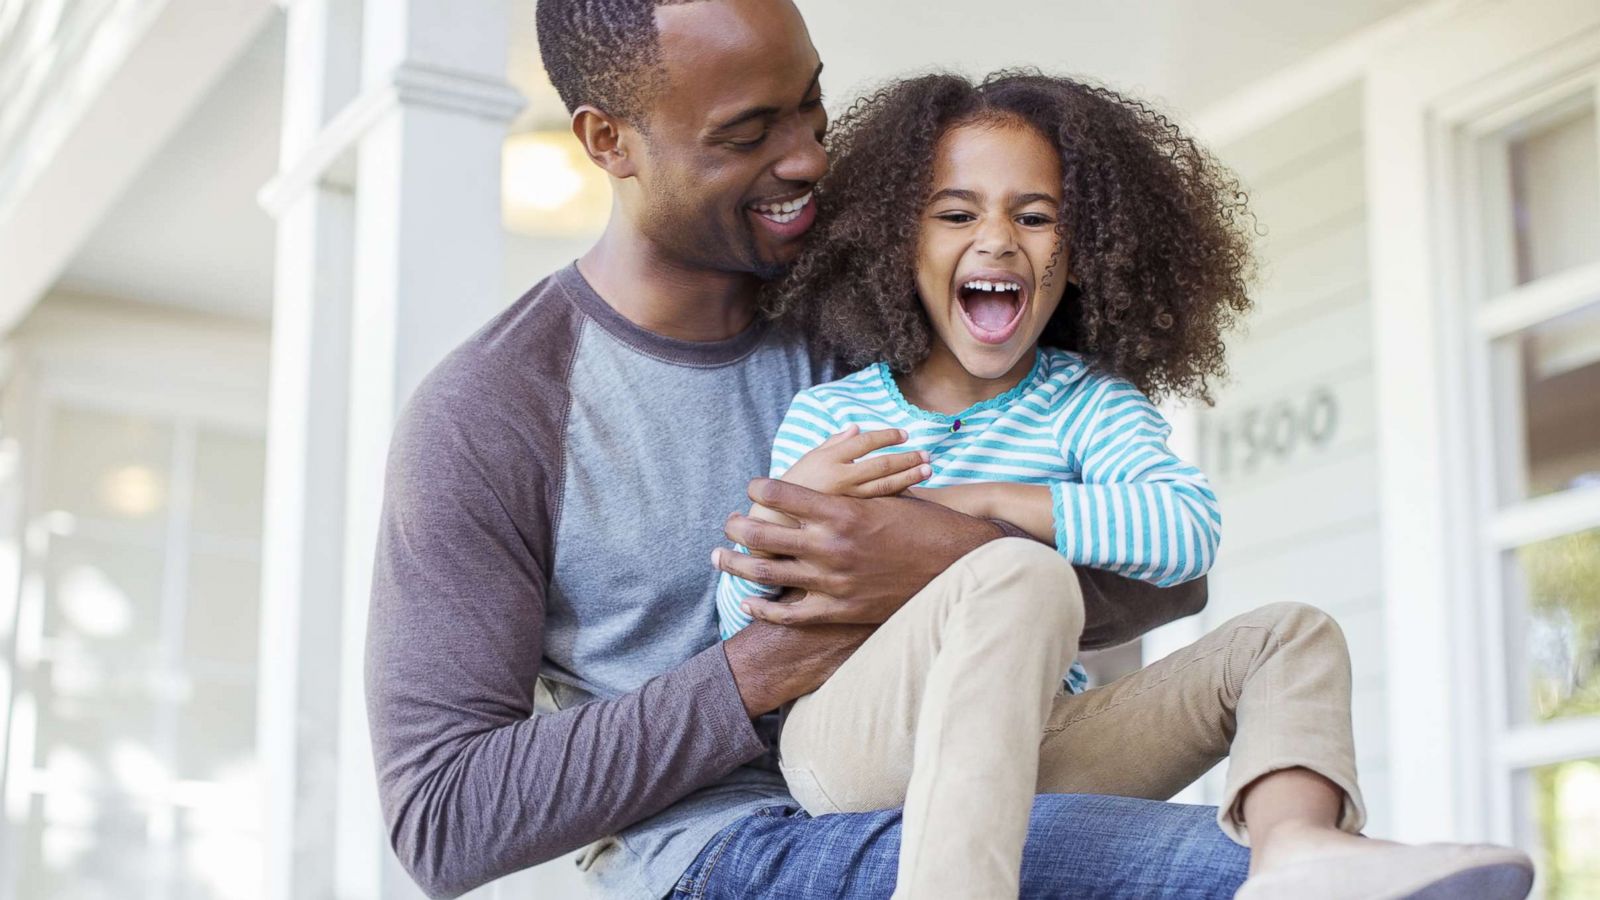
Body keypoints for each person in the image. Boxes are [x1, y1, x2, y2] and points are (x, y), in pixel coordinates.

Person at [373, 1, 1241, 897]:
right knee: (1223, 875)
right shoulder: (493, 412)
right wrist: (771, 660)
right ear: (608, 141)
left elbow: (1172, 578)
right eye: (749, 132)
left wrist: (950, 553)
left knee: (1278, 849)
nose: (809, 160)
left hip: (963, 760)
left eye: (811, 107)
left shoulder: (879, 306)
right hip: (724, 845)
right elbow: (443, 818)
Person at [710, 72, 1536, 900]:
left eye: (1035, 217)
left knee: (1291, 634)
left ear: (1079, 254)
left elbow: (1183, 531)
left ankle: (1298, 851)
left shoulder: (1088, 404)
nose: (998, 239)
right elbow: (744, 633)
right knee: (1023, 572)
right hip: (855, 744)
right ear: (899, 246)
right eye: (957, 214)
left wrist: (993, 503)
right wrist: (787, 519)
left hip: (1040, 741)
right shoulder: (836, 414)